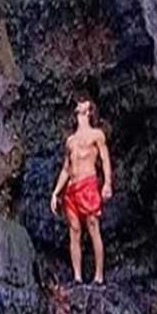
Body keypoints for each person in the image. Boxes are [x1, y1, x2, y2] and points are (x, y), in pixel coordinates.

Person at [50, 94, 114, 284]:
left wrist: (107, 183)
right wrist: (55, 192)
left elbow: (105, 160)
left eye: (84, 102)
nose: (80, 104)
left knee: (93, 227)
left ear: (89, 110)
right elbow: (66, 169)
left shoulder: (97, 135)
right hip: (71, 188)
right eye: (78, 104)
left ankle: (99, 276)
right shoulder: (70, 141)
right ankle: (77, 276)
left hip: (89, 184)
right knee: (74, 231)